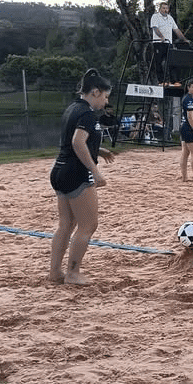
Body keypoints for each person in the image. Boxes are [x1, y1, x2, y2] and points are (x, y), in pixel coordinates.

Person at [49, 69, 116, 286]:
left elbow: (74, 142)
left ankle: (55, 272)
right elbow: (78, 143)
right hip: (76, 172)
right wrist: (95, 171)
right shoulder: (87, 113)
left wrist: (99, 151)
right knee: (88, 225)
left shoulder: (73, 108)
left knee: (66, 224)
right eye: (105, 97)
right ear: (95, 92)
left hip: (60, 169)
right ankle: (73, 273)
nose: (106, 102)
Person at [149, 1, 190, 84]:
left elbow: (176, 30)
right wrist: (161, 37)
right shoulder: (155, 16)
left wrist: (184, 39)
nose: (165, 10)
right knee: (159, 62)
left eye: (167, 8)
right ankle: (160, 81)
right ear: (160, 9)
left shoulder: (170, 18)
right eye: (163, 8)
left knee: (172, 61)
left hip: (169, 43)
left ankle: (173, 80)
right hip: (159, 43)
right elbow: (155, 28)